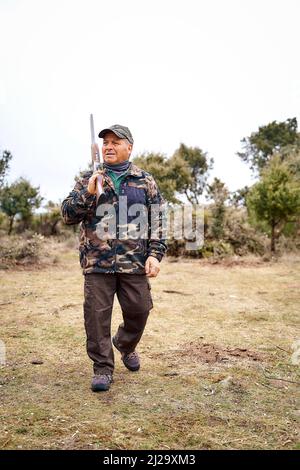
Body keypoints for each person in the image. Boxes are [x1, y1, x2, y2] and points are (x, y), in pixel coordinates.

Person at [61, 124, 167, 392]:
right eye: (105, 142)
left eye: (115, 142)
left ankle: (126, 344)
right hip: (97, 263)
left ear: (129, 147)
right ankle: (102, 368)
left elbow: (158, 220)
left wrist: (155, 255)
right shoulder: (89, 178)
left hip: (134, 262)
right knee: (96, 318)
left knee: (140, 310)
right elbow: (67, 216)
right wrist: (88, 193)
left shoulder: (145, 180)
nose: (109, 146)